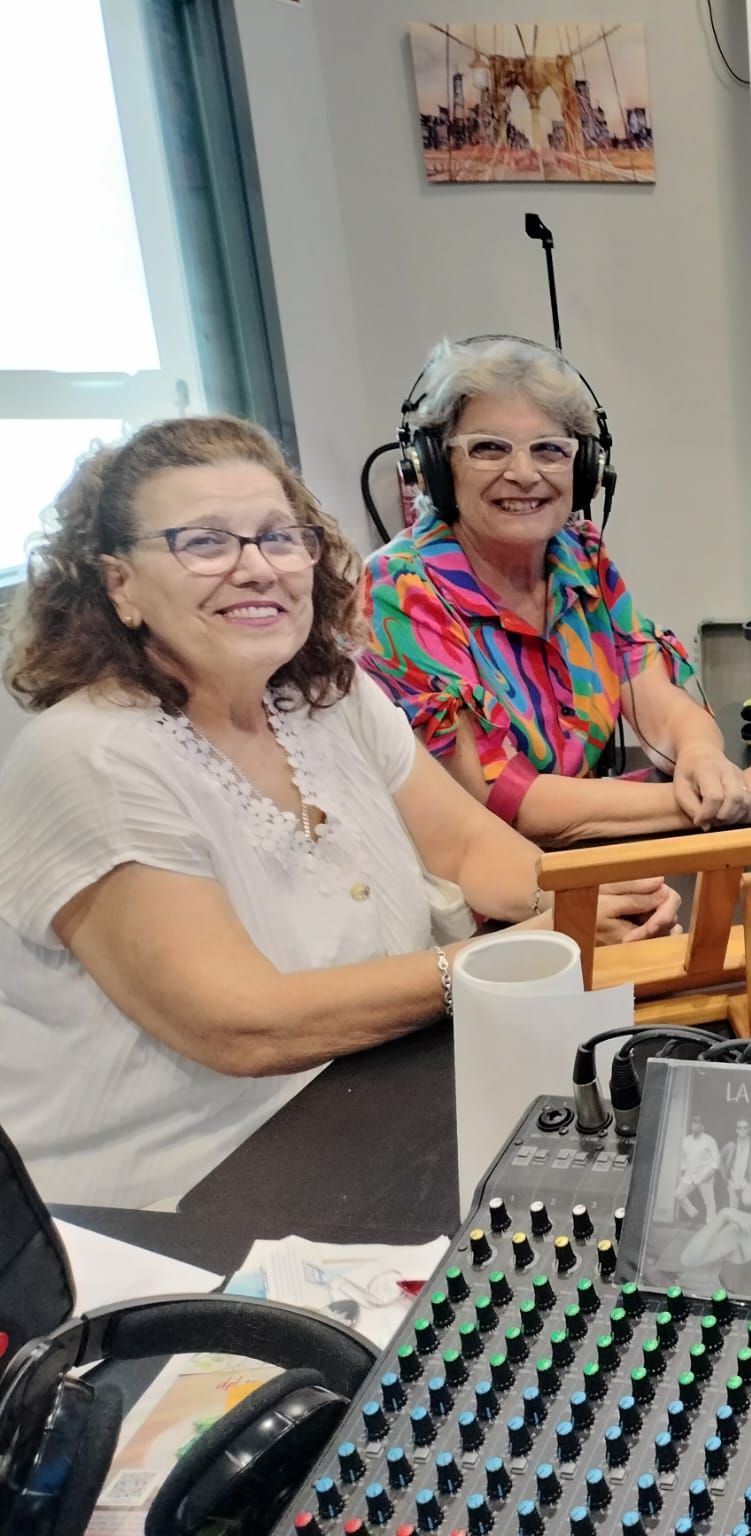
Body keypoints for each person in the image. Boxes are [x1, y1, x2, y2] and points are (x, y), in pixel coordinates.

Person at [0, 418, 682, 1209]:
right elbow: (240, 1024)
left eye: (277, 537)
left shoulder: (328, 696)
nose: (256, 568)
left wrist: (584, 902)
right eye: (204, 543)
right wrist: (503, 960)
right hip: (172, 1199)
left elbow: (467, 846)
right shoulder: (89, 758)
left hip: (366, 1102)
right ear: (119, 584)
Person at [361, 335, 751, 846]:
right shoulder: (399, 590)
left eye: (549, 450)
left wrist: (701, 755)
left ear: (585, 470)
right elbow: (497, 802)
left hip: (586, 864)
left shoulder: (580, 557)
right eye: (489, 448)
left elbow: (655, 698)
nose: (523, 474)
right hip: (477, 880)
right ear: (435, 468)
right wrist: (732, 799)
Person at [673, 1116, 722, 1222]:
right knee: (678, 1195)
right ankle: (695, 1215)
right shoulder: (686, 1140)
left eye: (698, 1124)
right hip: (689, 1176)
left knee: (709, 1202)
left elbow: (716, 1158)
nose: (695, 1126)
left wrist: (711, 1171)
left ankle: (711, 1224)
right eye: (693, 1124)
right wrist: (684, 1170)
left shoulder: (709, 1140)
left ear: (702, 1127)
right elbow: (683, 1158)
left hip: (705, 1175)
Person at [723, 1116, 751, 1210]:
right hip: (733, 1179)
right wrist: (724, 1175)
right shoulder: (731, 1143)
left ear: (749, 1129)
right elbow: (720, 1158)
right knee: (733, 1207)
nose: (743, 1130)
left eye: (745, 1127)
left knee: (748, 1202)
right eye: (740, 1128)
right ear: (736, 1130)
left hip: (747, 1179)